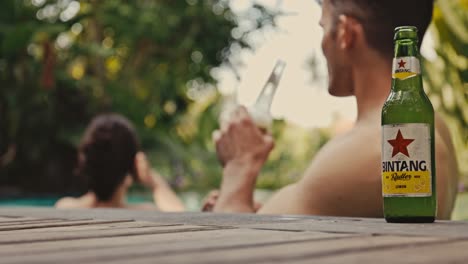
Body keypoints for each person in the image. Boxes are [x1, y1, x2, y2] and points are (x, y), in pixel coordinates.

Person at [210, 0, 459, 219]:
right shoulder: (434, 127)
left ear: (344, 33)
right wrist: (245, 206)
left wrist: (239, 167)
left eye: (322, 27)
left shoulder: (368, 148)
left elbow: (231, 249)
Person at [55, 113, 185, 211]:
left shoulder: (65, 208)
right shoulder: (145, 213)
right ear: (133, 167)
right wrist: (154, 182)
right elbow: (184, 219)